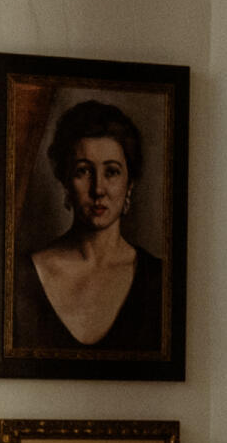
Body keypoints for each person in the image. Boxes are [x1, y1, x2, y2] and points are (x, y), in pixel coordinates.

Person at [19, 98, 166, 355]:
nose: (98, 189)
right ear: (66, 184)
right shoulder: (23, 276)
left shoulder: (159, 282)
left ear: (129, 186)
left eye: (111, 172)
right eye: (84, 171)